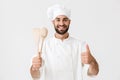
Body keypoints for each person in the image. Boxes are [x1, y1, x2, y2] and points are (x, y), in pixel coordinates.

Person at [30, 4, 99, 80]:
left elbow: (94, 72)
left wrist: (92, 61)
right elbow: (35, 76)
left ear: (69, 22)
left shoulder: (80, 45)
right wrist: (34, 67)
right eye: (58, 19)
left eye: (65, 20)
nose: (61, 23)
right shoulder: (44, 46)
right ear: (53, 22)